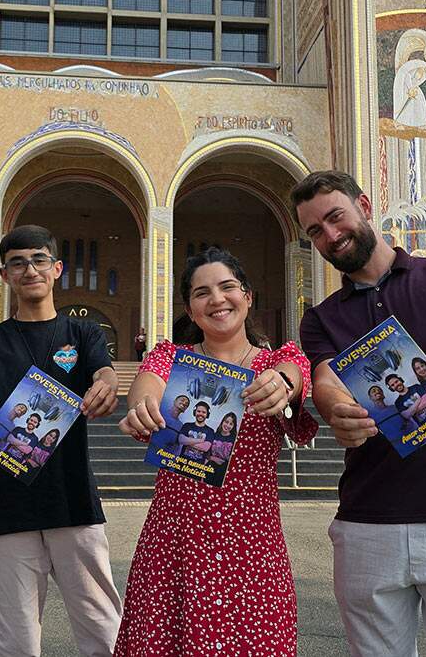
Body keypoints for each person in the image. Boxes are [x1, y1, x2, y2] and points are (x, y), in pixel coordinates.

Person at [294, 170, 426, 657]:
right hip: (369, 521)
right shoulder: (321, 317)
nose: (330, 235)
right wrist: (336, 410)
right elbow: (325, 380)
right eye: (315, 231)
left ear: (364, 206)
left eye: (336, 217)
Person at [114, 247, 317, 655]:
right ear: (191, 310)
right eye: (202, 293)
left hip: (252, 546)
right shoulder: (172, 359)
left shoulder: (276, 362)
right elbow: (147, 385)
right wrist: (143, 407)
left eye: (228, 287)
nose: (217, 299)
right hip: (176, 543)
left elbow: (294, 375)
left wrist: (281, 384)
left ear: (248, 296)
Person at [0, 224, 122, 657]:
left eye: (40, 259)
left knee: (104, 631)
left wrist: (108, 382)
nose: (30, 270)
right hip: (6, 506)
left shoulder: (83, 333)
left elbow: (103, 371)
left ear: (57, 269)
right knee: (16, 642)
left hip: (72, 501)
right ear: (5, 275)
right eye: (18, 263)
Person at [207, 411, 238, 485]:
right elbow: (206, 453)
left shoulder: (234, 439)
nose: (227, 425)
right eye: (226, 422)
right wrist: (213, 458)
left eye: (231, 424)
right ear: (222, 422)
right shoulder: (214, 435)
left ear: (233, 426)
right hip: (210, 469)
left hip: (223, 472)